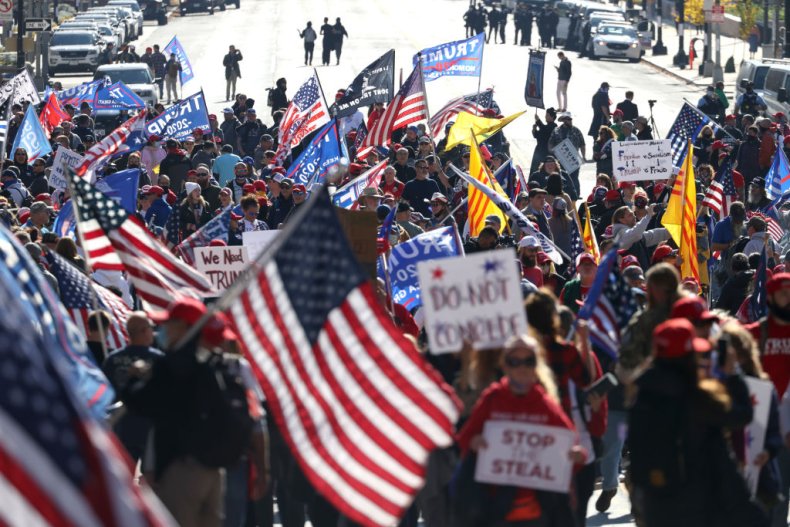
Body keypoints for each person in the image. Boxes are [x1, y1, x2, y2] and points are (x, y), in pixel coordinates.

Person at [628, 318, 765, 527]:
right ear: (688, 357)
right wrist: (732, 375)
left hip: (656, 507)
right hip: (698, 506)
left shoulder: (640, 396)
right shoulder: (698, 398)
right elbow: (742, 416)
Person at [457, 335, 585, 527]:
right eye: (514, 361)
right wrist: (474, 443)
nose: (522, 367)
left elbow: (572, 448)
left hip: (538, 513)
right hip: (496, 511)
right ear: (504, 366)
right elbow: (463, 443)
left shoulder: (544, 403)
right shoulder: (492, 398)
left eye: (528, 361)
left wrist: (576, 455)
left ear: (536, 366)